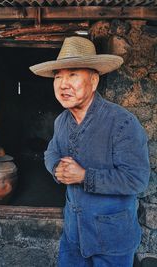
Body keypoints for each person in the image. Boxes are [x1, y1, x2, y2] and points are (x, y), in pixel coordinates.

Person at [29, 36, 150, 267]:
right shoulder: (62, 122)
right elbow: (50, 153)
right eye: (58, 77)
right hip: (74, 236)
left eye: (72, 74)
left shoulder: (122, 123)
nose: (63, 84)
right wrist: (57, 168)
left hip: (112, 240)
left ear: (93, 81)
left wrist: (84, 176)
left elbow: (137, 179)